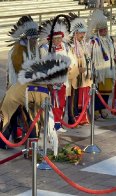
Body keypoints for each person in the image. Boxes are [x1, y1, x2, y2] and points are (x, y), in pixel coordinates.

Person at [0, 15, 40, 148]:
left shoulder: (29, 49)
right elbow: (20, 71)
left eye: (36, 39)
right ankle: (30, 141)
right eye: (33, 39)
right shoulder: (18, 51)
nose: (35, 42)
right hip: (18, 89)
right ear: (27, 39)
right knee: (18, 115)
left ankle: (7, 140)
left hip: (24, 88)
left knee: (14, 115)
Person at [39, 17, 78, 128]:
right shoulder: (45, 48)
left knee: (61, 102)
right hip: (52, 82)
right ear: (51, 38)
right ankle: (51, 125)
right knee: (53, 103)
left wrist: (69, 66)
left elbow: (71, 60)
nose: (58, 41)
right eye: (56, 38)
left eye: (60, 38)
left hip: (63, 80)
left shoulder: (65, 46)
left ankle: (58, 124)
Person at [87, 9, 116, 120]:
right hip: (99, 71)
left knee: (107, 91)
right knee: (98, 92)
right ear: (98, 31)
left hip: (109, 70)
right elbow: (90, 55)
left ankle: (103, 108)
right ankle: (95, 110)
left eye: (105, 29)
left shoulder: (110, 40)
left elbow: (114, 52)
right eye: (102, 30)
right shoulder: (94, 41)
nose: (104, 31)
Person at [69, 15, 92, 125]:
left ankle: (83, 118)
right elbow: (72, 60)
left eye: (83, 33)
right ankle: (74, 119)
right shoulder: (72, 46)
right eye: (80, 33)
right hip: (76, 76)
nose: (82, 35)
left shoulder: (84, 45)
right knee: (75, 98)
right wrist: (78, 69)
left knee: (84, 97)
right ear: (75, 33)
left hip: (85, 76)